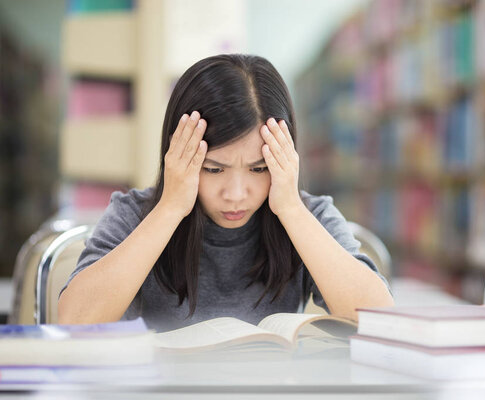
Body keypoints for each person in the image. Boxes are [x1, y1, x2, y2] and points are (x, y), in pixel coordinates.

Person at [57, 54, 394, 332]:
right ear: (177, 155)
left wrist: (291, 209)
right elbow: (74, 321)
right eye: (214, 169)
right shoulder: (137, 214)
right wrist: (170, 208)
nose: (235, 194)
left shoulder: (307, 216)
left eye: (259, 169)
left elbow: (379, 319)